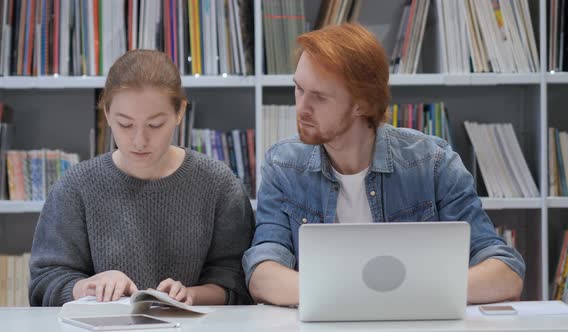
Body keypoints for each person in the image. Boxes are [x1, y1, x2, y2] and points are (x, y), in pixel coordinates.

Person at [243, 24, 525, 306]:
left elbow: (505, 273)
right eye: (299, 89)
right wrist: (362, 295)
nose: (301, 108)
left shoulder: (433, 163)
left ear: (362, 105)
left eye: (319, 97)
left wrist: (396, 295)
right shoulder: (283, 165)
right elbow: (262, 273)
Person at [29, 49, 254, 306]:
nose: (139, 141)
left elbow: (237, 284)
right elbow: (44, 283)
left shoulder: (219, 184)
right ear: (107, 114)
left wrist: (190, 295)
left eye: (155, 125)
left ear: (180, 112)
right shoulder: (76, 186)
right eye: (125, 124)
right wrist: (91, 286)